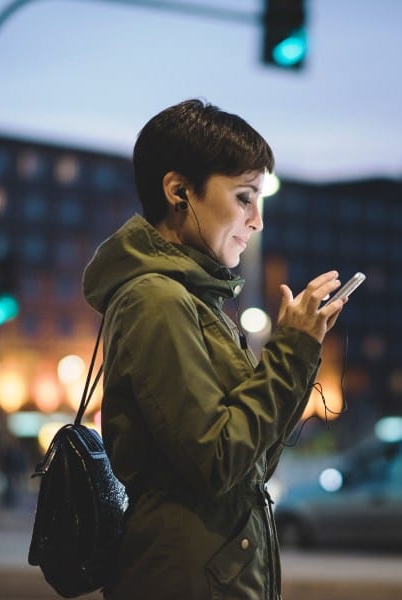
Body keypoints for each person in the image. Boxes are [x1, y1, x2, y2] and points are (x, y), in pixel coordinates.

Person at [82, 98, 348, 599]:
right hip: (186, 580)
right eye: (244, 197)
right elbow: (218, 460)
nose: (257, 220)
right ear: (179, 191)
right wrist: (290, 351)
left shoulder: (194, 302)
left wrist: (300, 348)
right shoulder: (156, 301)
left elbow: (251, 464)